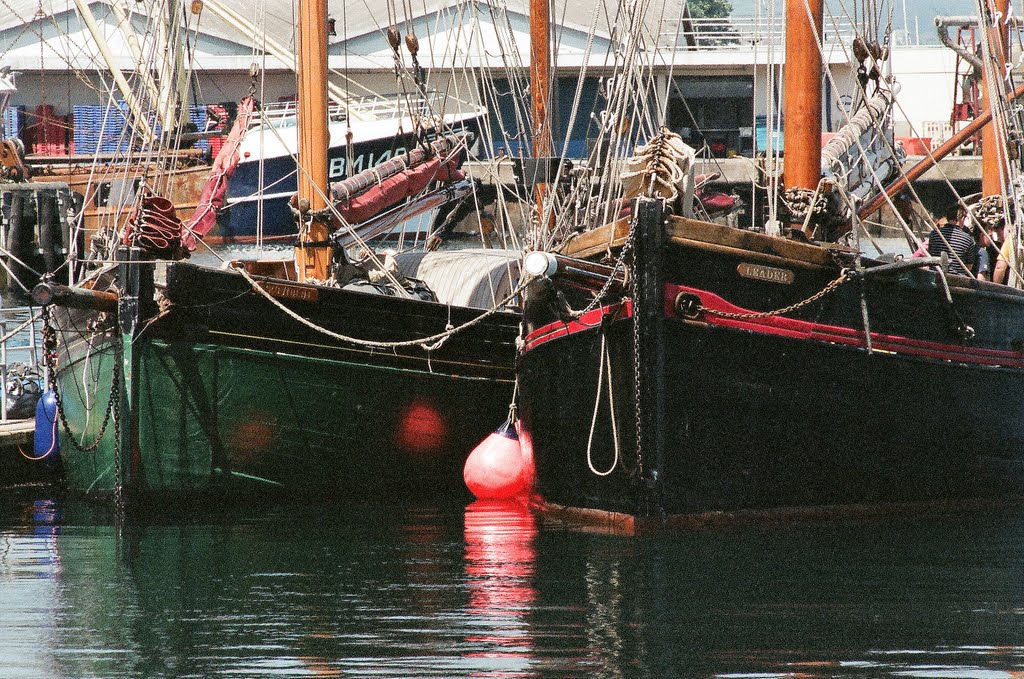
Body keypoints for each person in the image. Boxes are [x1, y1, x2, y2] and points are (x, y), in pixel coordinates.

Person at [927, 204, 976, 277]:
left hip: (934, 277)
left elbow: (930, 255)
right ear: (962, 218)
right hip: (957, 281)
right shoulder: (968, 239)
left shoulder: (934, 234)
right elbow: (969, 266)